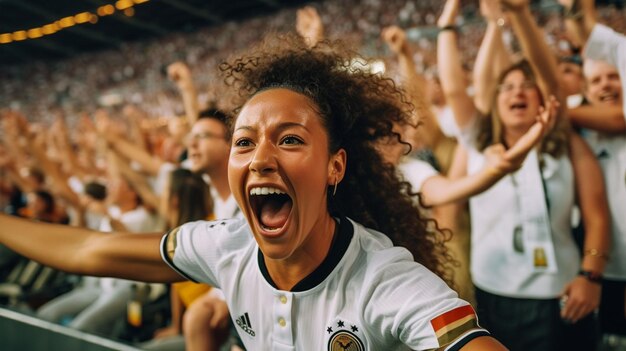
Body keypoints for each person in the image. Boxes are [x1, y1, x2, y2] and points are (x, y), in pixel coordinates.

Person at [0, 33, 507, 350]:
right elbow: (89, 248)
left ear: (335, 166)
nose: (261, 157)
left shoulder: (384, 280)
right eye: (244, 141)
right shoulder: (226, 246)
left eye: (289, 139)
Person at [437, 0, 610, 349]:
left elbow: (596, 214)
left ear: (542, 99)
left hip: (561, 294)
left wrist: (591, 275)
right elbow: (454, 87)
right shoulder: (477, 141)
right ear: (494, 101)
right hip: (493, 293)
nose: (517, 91)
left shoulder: (564, 142)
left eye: (526, 85)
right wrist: (447, 22)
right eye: (508, 86)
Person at [559, 0, 626, 339]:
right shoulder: (578, 133)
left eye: (614, 76)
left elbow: (620, 118)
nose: (606, 85)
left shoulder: (572, 119)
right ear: (584, 91)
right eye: (596, 80)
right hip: (605, 271)